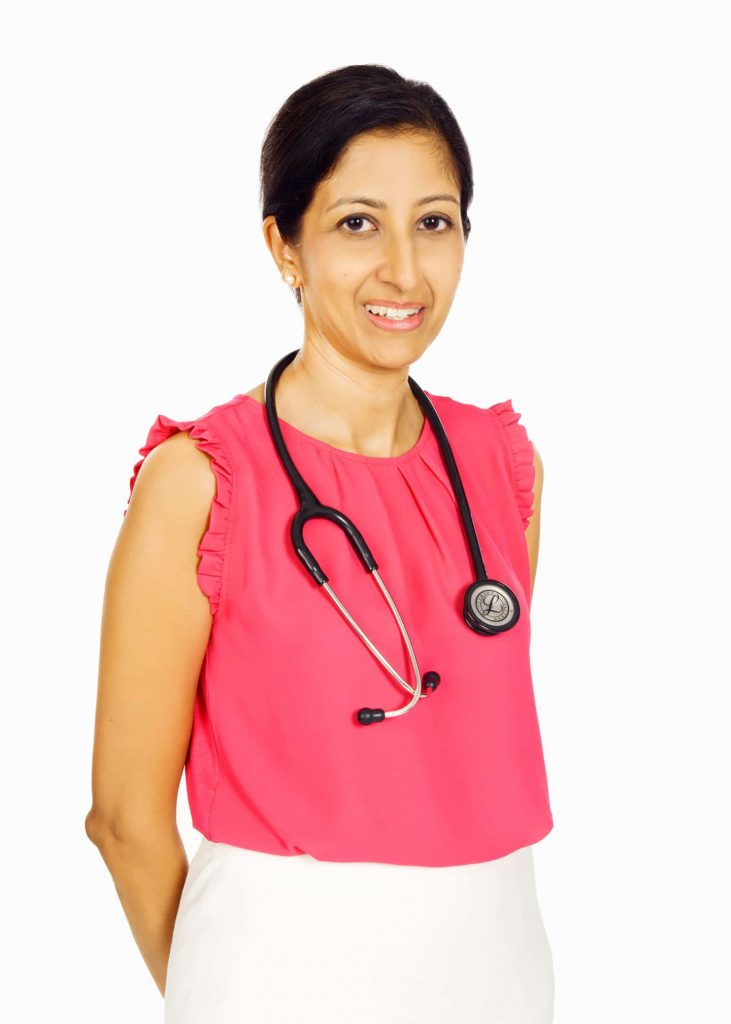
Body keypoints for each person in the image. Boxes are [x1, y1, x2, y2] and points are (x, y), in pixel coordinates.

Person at [85, 63, 556, 1023]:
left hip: (498, 963)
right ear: (284, 245)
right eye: (356, 224)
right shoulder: (201, 482)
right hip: (275, 973)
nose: (404, 272)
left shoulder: (501, 465)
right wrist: (218, 991)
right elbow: (125, 820)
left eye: (434, 222)